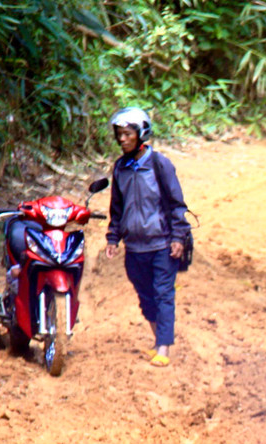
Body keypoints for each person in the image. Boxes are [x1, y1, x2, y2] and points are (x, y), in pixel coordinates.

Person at [104, 107, 191, 367]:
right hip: (134, 247)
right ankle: (157, 342)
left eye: (128, 134)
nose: (122, 139)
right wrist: (112, 238)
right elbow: (116, 208)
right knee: (145, 295)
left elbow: (177, 204)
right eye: (119, 134)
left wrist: (178, 237)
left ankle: (163, 349)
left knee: (164, 293)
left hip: (162, 244)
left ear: (141, 134)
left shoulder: (159, 164)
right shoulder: (120, 168)